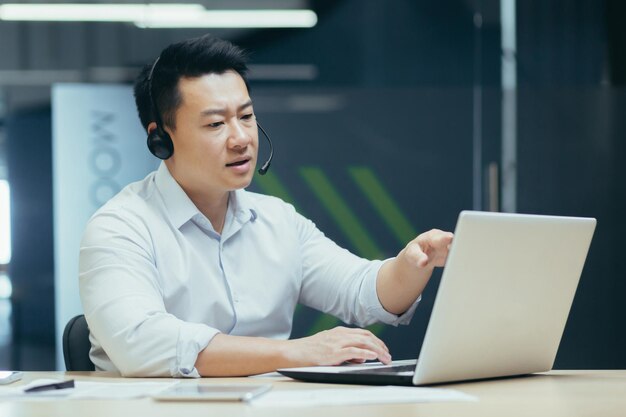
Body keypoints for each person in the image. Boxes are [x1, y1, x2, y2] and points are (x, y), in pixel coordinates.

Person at [79, 34, 453, 378]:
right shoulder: (120, 226)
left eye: (245, 116)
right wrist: (294, 353)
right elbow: (142, 342)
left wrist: (410, 263)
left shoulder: (277, 220)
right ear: (161, 138)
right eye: (215, 124)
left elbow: (361, 292)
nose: (241, 138)